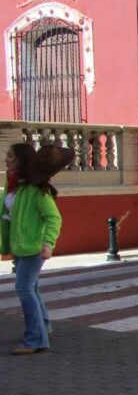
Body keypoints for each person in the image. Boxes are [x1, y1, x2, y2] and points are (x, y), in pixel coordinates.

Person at [1, 144, 72, 355]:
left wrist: (48, 243)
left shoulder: (36, 190)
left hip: (34, 248)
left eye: (10, 156)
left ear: (21, 160)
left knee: (24, 288)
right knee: (31, 288)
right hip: (20, 246)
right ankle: (43, 326)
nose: (6, 159)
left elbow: (54, 218)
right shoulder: (14, 185)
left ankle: (35, 339)